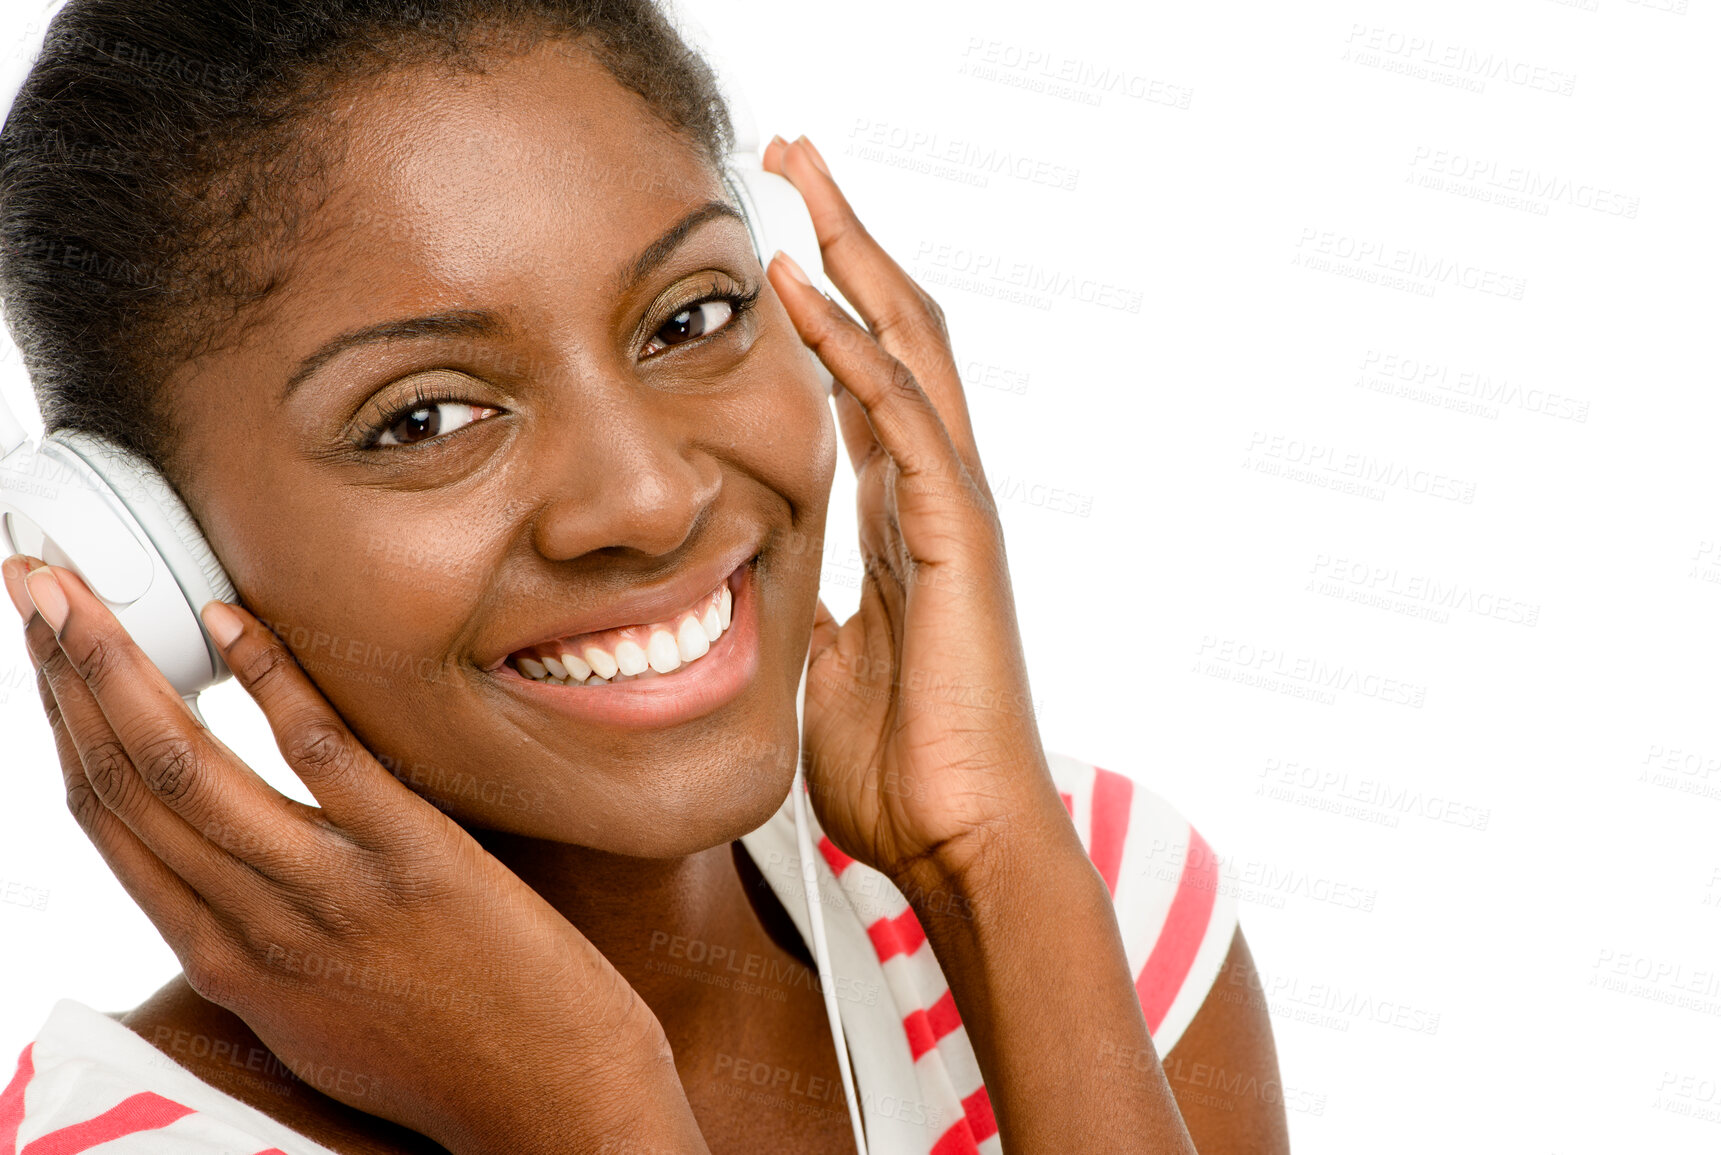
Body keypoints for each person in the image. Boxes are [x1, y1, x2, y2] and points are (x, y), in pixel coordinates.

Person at [0, 2, 1286, 1151]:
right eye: (426, 419)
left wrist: (996, 874)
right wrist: (588, 1110)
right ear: (148, 560)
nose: (650, 499)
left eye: (690, 317)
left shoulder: (1088, 894)